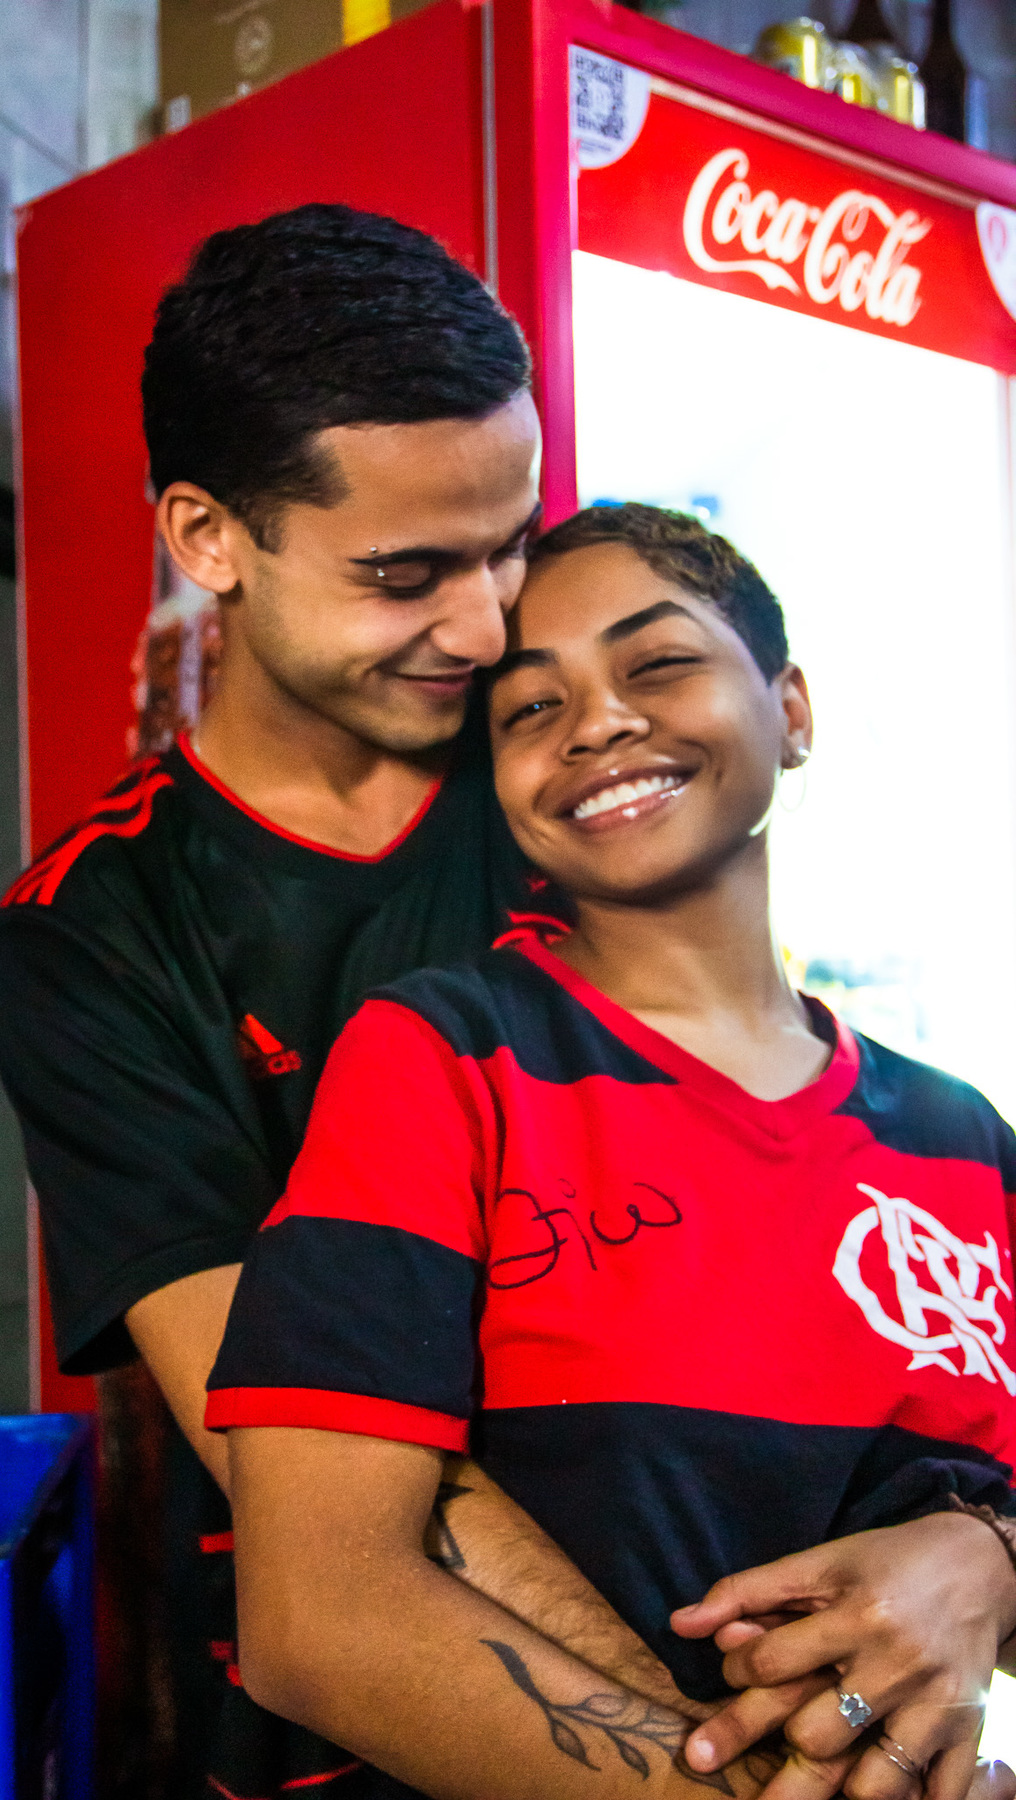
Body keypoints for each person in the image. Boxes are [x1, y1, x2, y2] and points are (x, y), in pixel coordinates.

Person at [0, 207, 699, 1800]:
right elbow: (295, 1444)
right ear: (209, 536)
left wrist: (956, 1534)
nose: (488, 625)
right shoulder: (94, 931)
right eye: (405, 574)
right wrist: (707, 1748)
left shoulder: (578, 776)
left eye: (509, 545)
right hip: (368, 1725)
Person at [207, 504, 1016, 1800]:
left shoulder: (961, 1139)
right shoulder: (445, 1063)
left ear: (791, 709)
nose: (597, 723)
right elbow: (317, 1625)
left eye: (659, 663)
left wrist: (987, 1565)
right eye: (532, 708)